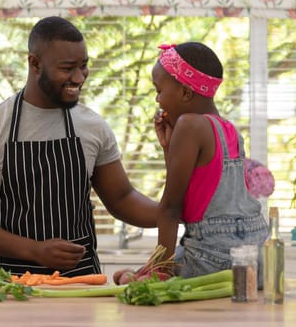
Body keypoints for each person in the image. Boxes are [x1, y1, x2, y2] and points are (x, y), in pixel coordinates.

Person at [0, 16, 158, 277]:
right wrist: (34, 250)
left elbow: (122, 199)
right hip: (12, 288)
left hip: (82, 286)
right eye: (67, 68)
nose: (79, 77)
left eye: (84, 66)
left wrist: (174, 212)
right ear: (34, 63)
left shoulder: (93, 127)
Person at [114, 42, 268, 283]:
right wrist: (169, 147)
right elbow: (195, 200)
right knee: (142, 272)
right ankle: (152, 271)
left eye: (159, 90)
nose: (157, 100)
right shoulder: (229, 130)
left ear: (185, 93)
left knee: (139, 277)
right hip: (255, 256)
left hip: (215, 254)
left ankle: (156, 272)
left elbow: (172, 207)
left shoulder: (189, 124)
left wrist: (159, 270)